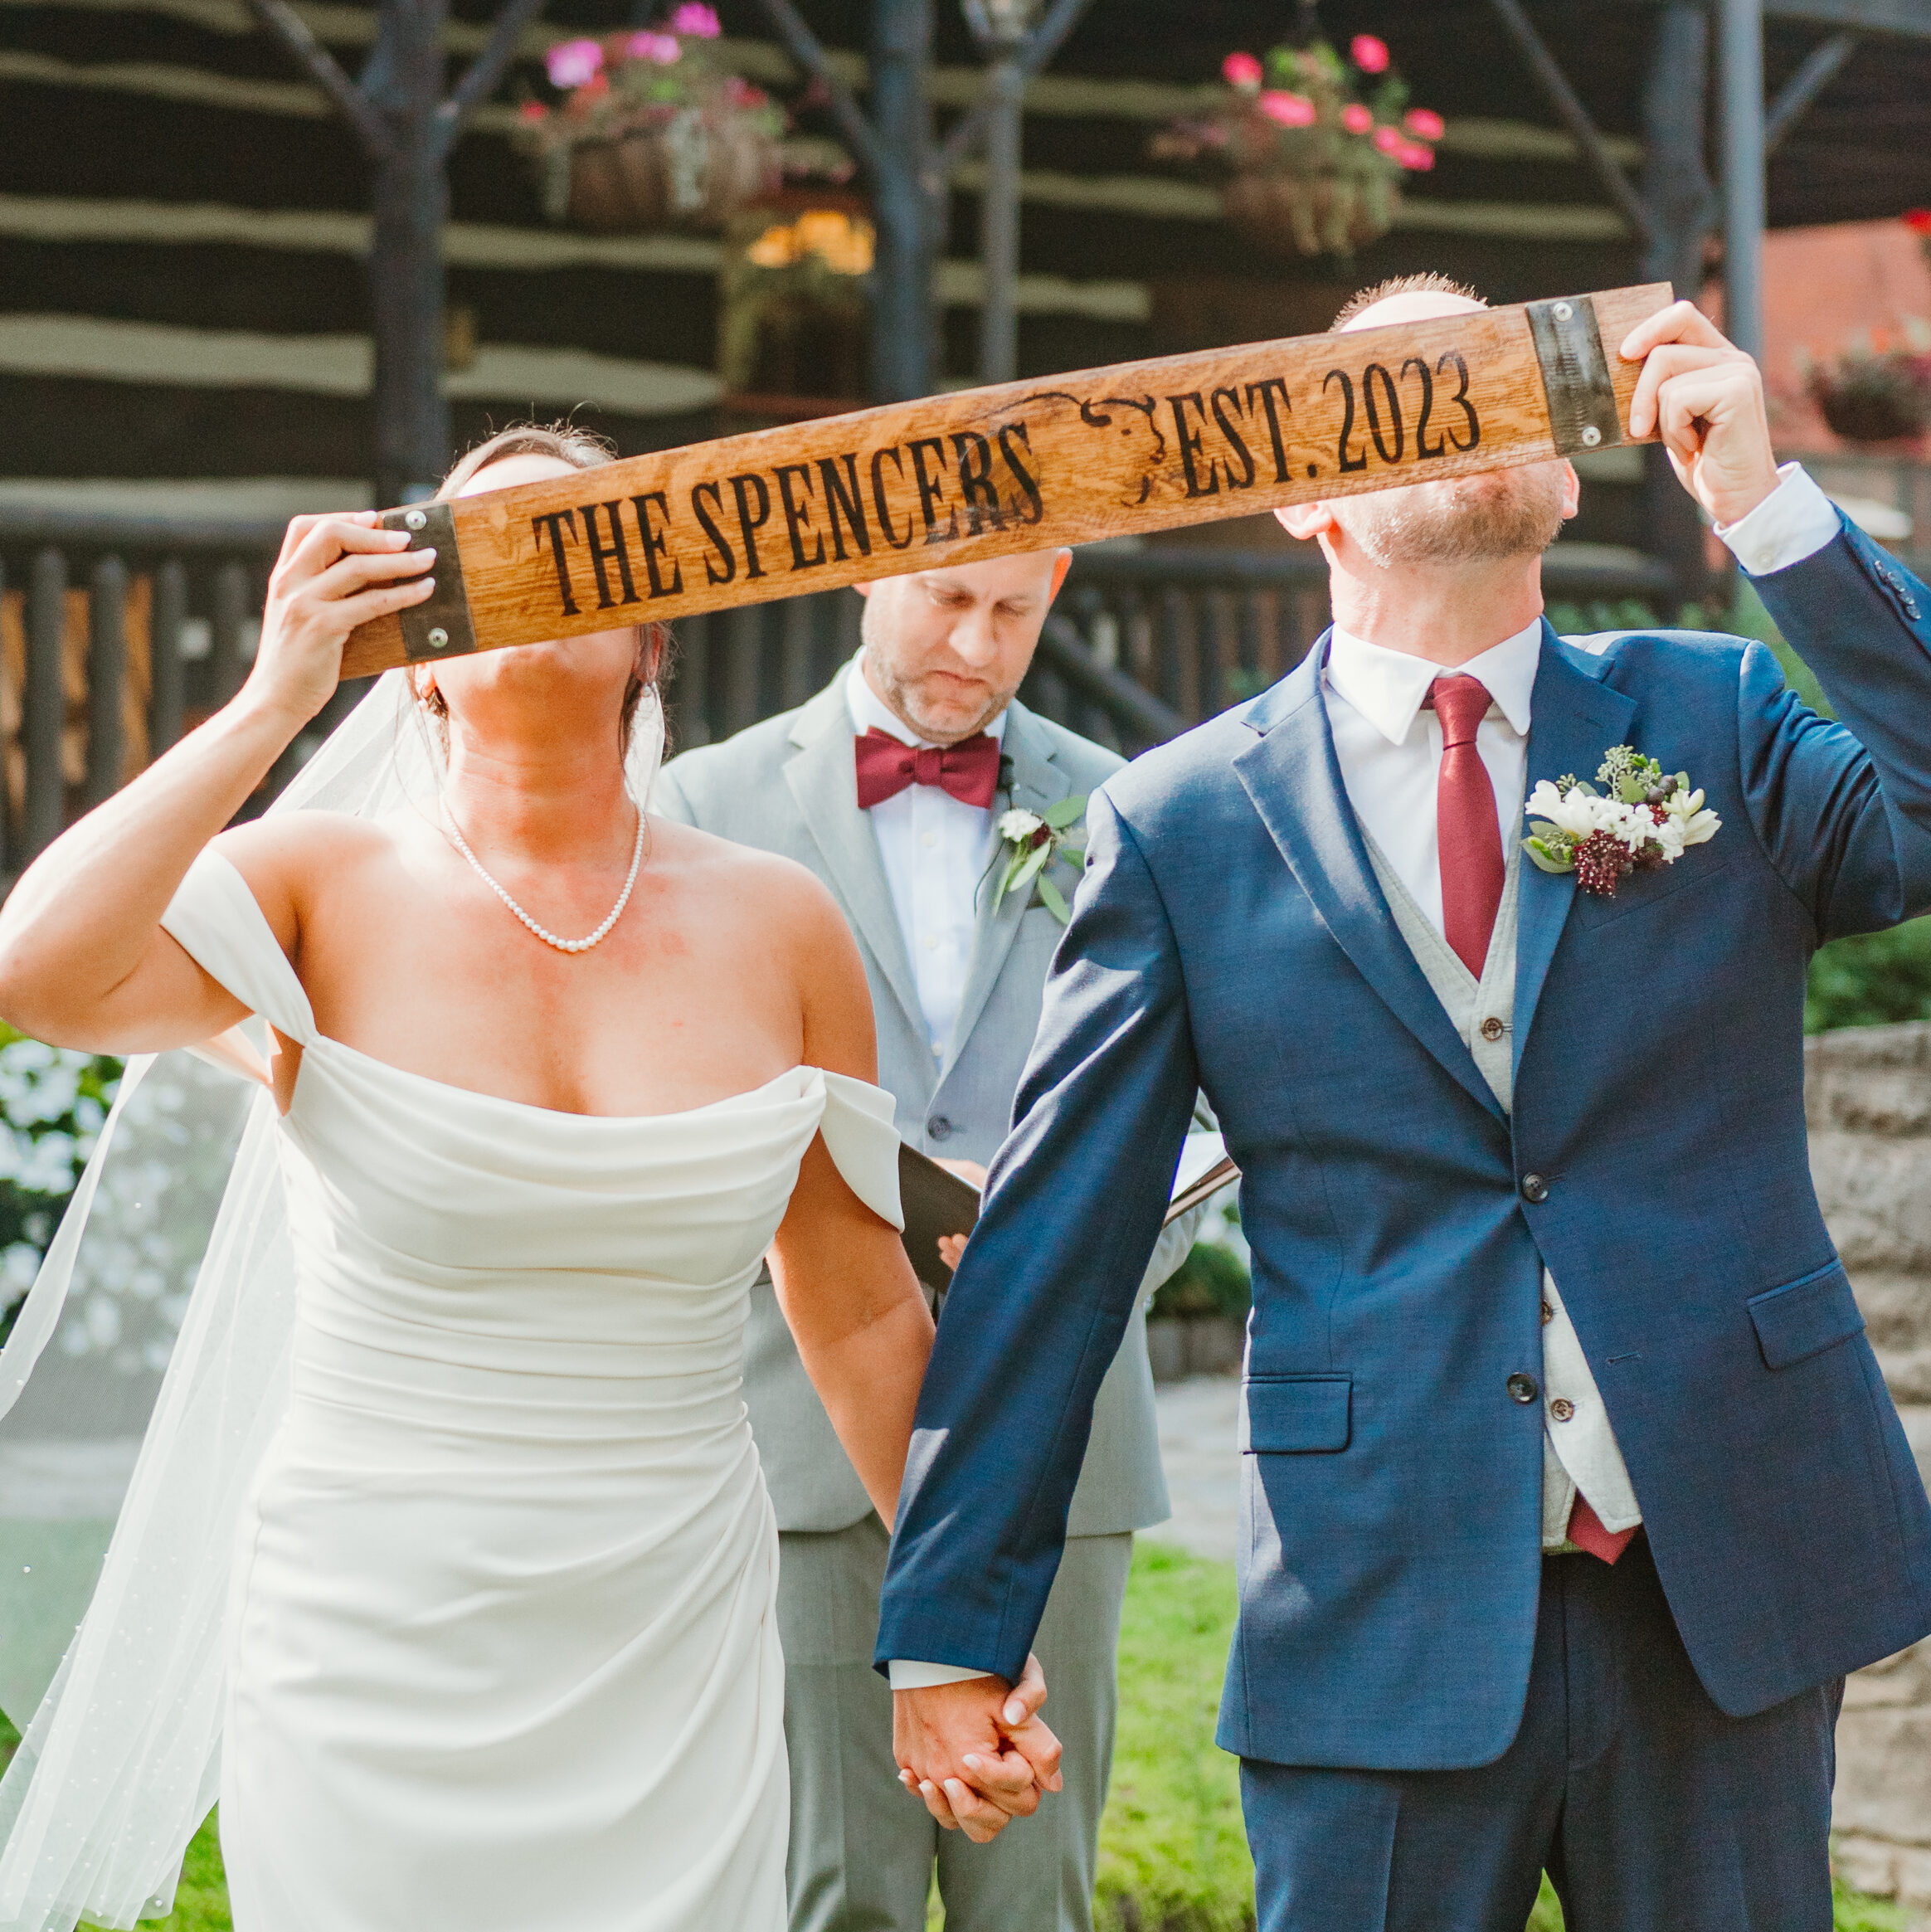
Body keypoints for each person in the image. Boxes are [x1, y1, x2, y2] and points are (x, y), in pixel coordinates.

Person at [876, 280, 1931, 1930]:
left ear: (1569, 474)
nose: (1459, 399)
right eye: (1402, 379)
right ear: (1303, 487)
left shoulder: (1715, 717)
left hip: (1719, 1574)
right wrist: (953, 1629)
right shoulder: (1181, 826)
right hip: (1375, 1601)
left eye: (1496, 374)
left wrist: (1769, 508)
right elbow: (1053, 1251)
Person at [0, 426, 1052, 1932]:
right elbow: (41, 973)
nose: (543, 576)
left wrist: (964, 1632)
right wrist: (270, 697)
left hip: (668, 1627)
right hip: (372, 1628)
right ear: (419, 658)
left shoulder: (781, 923)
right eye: (488, 551)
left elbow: (866, 1319)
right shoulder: (313, 887)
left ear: (649, 639)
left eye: (586, 541)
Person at [654, 548, 1212, 1932]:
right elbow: (654, 1101)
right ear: (866, 579)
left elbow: (1204, 1108)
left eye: (1016, 611)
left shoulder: (1136, 804)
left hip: (1063, 1419)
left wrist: (1069, 1257)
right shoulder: (702, 803)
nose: (977, 639)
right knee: (835, 1883)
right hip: (794, 1424)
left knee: (1036, 1882)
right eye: (946, 598)